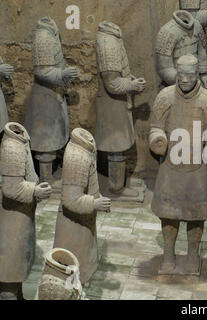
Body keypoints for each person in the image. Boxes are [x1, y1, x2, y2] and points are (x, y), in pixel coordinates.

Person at [149, 54, 207, 274]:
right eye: (181, 75)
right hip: (170, 166)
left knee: (196, 215)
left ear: (197, 73)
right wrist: (157, 139)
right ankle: (168, 254)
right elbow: (155, 126)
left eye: (190, 75)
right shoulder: (165, 97)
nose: (185, 80)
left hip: (195, 169)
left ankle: (192, 255)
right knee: (168, 213)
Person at [0, 122, 52, 300]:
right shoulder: (12, 148)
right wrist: (35, 191)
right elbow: (11, 189)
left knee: (18, 262)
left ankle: (18, 295)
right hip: (13, 216)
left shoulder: (19, 142)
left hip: (20, 214)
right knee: (10, 265)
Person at [24, 17, 78, 185]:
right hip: (45, 98)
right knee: (46, 138)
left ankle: (49, 173)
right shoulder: (43, 37)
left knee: (53, 135)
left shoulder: (50, 34)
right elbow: (42, 71)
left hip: (52, 95)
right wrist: (62, 75)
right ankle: (45, 177)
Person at [95, 21, 146, 198]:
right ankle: (116, 188)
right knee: (117, 145)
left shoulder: (110, 38)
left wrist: (129, 79)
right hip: (112, 104)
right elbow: (112, 84)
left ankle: (119, 183)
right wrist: (132, 85)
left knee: (120, 144)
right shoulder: (107, 44)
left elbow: (117, 75)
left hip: (116, 103)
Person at [53, 128, 111, 284]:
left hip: (81, 222)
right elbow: (70, 199)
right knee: (69, 274)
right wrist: (94, 203)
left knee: (79, 270)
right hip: (73, 224)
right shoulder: (77, 157)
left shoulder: (84, 150)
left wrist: (97, 200)